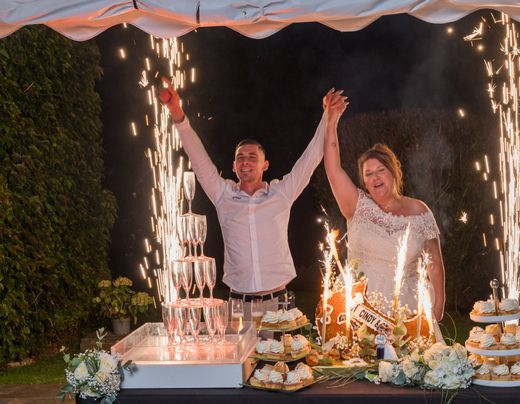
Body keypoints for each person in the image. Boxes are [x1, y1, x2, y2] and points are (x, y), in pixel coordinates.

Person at [159, 78, 347, 316]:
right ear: (234, 166)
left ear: (265, 164)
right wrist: (177, 112)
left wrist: (328, 118)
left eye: (251, 156)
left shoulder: (281, 193)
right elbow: (198, 159)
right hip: (238, 306)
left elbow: (310, 159)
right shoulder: (222, 195)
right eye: (240, 157)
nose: (245, 161)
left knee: (283, 354)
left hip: (278, 304)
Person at [323, 99, 445, 321]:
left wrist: (438, 306)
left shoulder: (419, 210)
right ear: (364, 181)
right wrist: (331, 122)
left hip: (408, 310)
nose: (375, 177)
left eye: (381, 170)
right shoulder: (357, 206)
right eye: (368, 173)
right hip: (359, 308)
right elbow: (333, 170)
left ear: (394, 172)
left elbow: (434, 263)